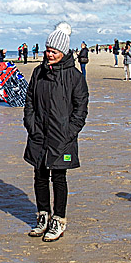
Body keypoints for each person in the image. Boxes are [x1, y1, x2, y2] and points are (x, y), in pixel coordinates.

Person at [23, 23, 88, 242]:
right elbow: (29, 100)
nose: (49, 54)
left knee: (59, 178)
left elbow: (81, 109)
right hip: (39, 135)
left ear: (64, 52)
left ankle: (58, 220)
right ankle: (43, 216)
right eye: (47, 50)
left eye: (54, 51)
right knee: (39, 176)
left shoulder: (75, 77)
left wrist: (70, 132)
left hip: (63, 138)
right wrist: (30, 125)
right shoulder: (38, 72)